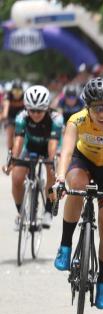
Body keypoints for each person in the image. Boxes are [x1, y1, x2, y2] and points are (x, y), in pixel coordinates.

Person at [52, 77, 103, 310]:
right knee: (75, 185)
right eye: (96, 107)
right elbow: (65, 153)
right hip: (84, 161)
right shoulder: (76, 120)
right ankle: (65, 245)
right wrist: (59, 180)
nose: (101, 113)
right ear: (87, 107)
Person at [7, 85, 62, 229]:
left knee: (51, 170)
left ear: (47, 108)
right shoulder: (21, 117)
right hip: (30, 146)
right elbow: (18, 141)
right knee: (17, 178)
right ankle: (21, 213)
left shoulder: (56, 118)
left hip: (49, 147)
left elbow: (53, 143)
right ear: (27, 108)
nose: (36, 114)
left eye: (40, 110)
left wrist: (52, 163)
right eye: (32, 110)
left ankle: (48, 211)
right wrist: (12, 160)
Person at [2, 80, 26, 168]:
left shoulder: (24, 97)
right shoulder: (8, 96)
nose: (17, 94)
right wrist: (4, 115)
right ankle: (10, 152)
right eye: (15, 91)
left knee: (21, 135)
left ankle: (20, 151)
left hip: (21, 117)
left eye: (19, 91)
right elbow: (5, 108)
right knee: (10, 133)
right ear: (11, 91)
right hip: (10, 117)